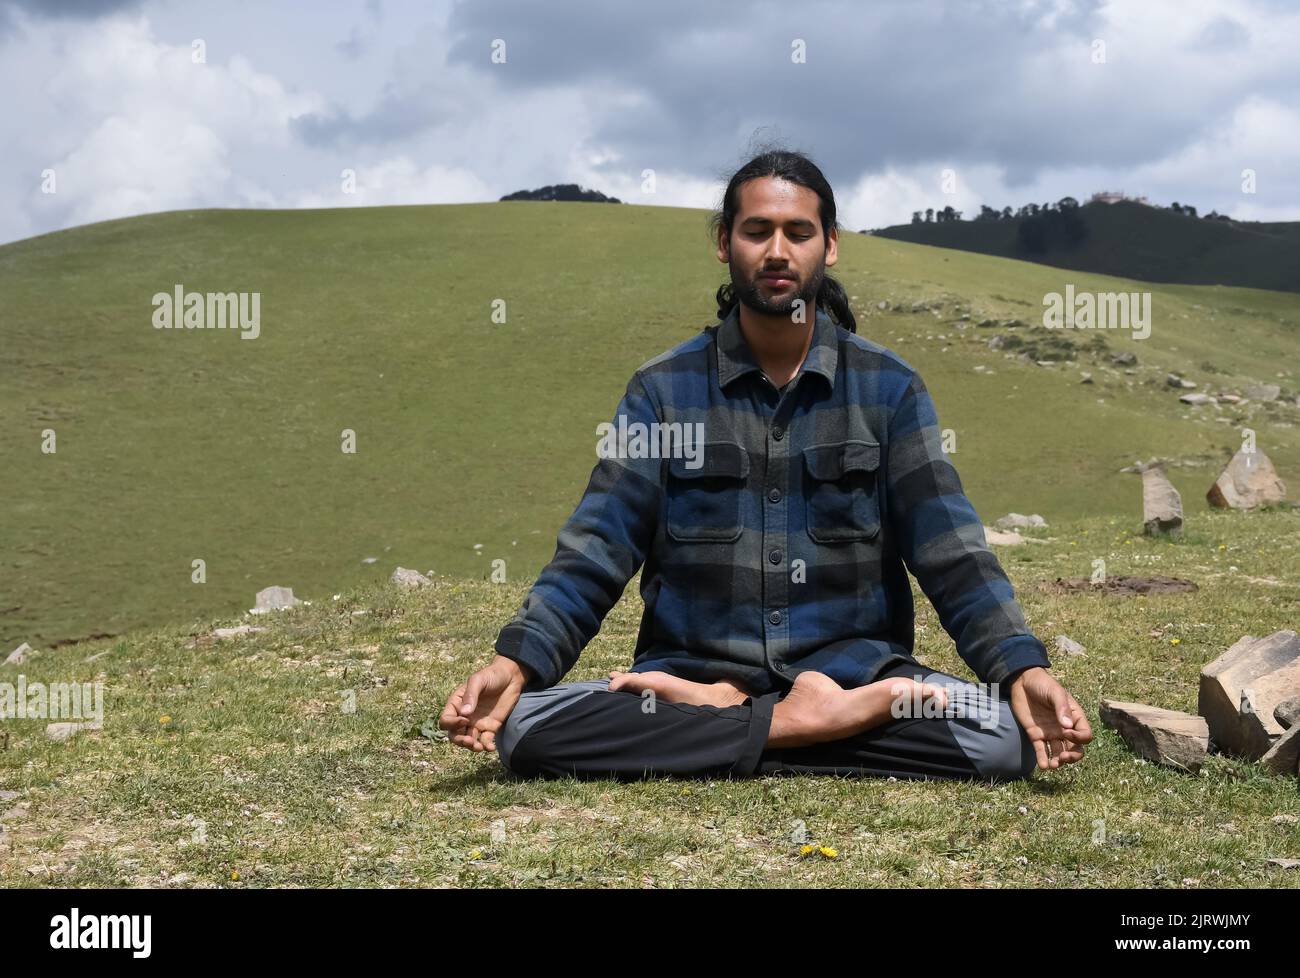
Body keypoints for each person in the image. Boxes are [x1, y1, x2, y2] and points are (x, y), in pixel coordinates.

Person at [440, 148, 1093, 782]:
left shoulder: (889, 390)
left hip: (856, 679)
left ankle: (740, 731)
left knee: (1005, 738)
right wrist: (518, 660)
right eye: (757, 231)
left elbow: (953, 555)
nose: (777, 250)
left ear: (829, 245)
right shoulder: (662, 392)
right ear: (725, 244)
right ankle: (802, 728)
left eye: (797, 231)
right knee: (524, 726)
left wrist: (1018, 668)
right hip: (689, 681)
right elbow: (596, 547)